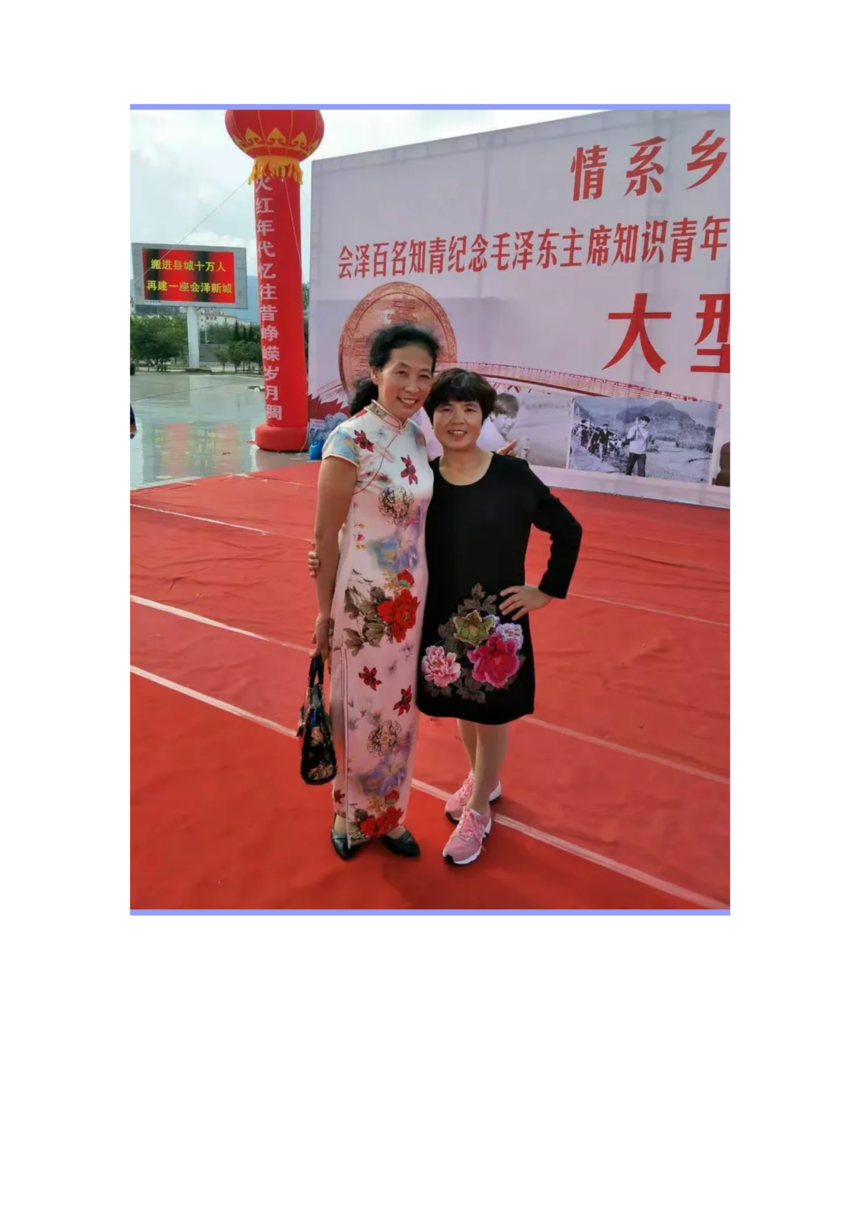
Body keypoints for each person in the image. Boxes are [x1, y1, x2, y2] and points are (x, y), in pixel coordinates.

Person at [416, 369, 583, 864]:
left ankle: (478, 810)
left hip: (497, 624)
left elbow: (568, 530)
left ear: (483, 417)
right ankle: (482, 780)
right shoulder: (425, 480)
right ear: (431, 418)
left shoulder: (513, 476)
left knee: (490, 714)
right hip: (444, 618)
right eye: (445, 409)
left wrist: (545, 590)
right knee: (465, 706)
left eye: (469, 409)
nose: (457, 419)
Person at [312, 324, 439, 860]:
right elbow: (325, 537)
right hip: (363, 603)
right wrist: (324, 613)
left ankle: (388, 814)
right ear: (376, 372)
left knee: (399, 711)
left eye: (423, 376)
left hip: (409, 603)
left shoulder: (416, 436)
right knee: (358, 708)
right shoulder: (349, 440)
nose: (413, 386)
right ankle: (348, 813)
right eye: (401, 372)